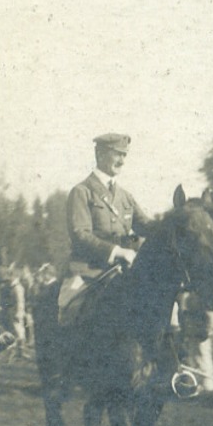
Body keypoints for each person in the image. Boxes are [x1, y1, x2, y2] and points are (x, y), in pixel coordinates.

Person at [60, 132, 144, 316]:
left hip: (123, 270)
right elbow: (80, 234)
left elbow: (147, 227)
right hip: (88, 272)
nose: (122, 160)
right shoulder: (82, 192)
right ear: (99, 154)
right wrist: (118, 251)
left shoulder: (126, 197)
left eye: (124, 155)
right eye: (117, 154)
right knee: (69, 311)